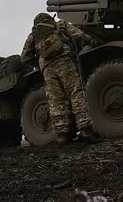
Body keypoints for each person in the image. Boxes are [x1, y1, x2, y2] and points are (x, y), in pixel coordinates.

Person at [21, 12, 99, 143]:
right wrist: (91, 40)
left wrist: (39, 62)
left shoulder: (33, 36)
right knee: (75, 92)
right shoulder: (60, 25)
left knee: (56, 100)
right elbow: (78, 35)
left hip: (47, 68)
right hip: (64, 61)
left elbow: (24, 58)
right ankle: (85, 129)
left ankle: (63, 134)